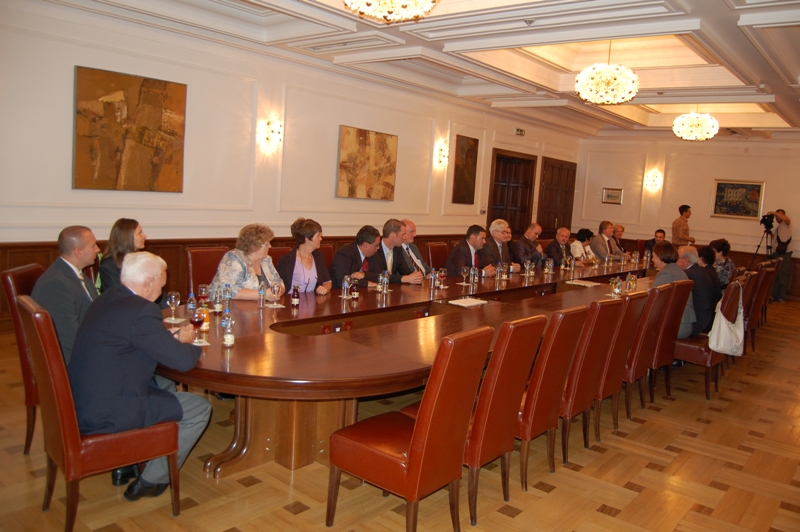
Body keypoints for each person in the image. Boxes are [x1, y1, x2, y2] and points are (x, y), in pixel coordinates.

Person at [68, 252, 211, 501]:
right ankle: (152, 480)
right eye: (161, 285)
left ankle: (139, 456)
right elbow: (184, 362)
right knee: (200, 408)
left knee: (165, 381)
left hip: (82, 399)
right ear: (147, 282)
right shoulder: (142, 311)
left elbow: (132, 339)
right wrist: (188, 341)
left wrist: (165, 339)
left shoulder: (109, 297)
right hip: (107, 411)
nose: (161, 291)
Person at [31, 226, 100, 364]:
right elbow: (71, 339)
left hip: (90, 342)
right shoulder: (56, 285)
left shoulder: (75, 273)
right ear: (78, 252)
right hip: (77, 362)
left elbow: (95, 309)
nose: (98, 249)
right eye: (93, 246)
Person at [209, 224, 285, 300]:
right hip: (226, 305)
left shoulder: (266, 260)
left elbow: (280, 283)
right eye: (266, 244)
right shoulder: (234, 258)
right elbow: (229, 290)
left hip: (259, 306)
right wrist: (263, 294)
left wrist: (275, 292)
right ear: (254, 246)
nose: (270, 246)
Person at [276, 218, 332, 295]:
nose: (321, 239)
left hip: (312, 300)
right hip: (292, 300)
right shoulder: (286, 260)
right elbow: (279, 285)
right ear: (307, 239)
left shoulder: (318, 256)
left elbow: (327, 281)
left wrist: (325, 288)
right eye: (318, 236)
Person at [652, 242, 695, 339]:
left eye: (653, 256)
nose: (652, 259)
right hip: (685, 324)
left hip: (675, 326)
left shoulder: (665, 273)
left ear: (660, 257)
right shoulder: (678, 271)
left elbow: (653, 301)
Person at [678, 245, 719, 336]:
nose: (675, 261)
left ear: (685, 261)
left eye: (677, 258)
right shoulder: (701, 271)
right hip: (709, 318)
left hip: (698, 322)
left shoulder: (688, 275)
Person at [99, 218, 147, 292]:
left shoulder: (143, 259)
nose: (144, 236)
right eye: (139, 233)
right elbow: (120, 294)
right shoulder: (109, 266)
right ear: (127, 237)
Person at [370, 219, 423, 285]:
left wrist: (416, 276)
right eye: (403, 234)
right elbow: (379, 276)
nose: (404, 238)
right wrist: (403, 279)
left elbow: (405, 271)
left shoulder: (398, 249)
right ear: (393, 235)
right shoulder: (375, 249)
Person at [768, 209, 793, 302]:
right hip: (777, 252)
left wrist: (774, 212)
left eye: (778, 215)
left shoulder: (786, 224)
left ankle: (782, 296)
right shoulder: (779, 228)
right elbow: (775, 239)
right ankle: (774, 295)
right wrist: (769, 232)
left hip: (784, 253)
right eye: (776, 216)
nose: (777, 217)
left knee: (783, 274)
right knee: (776, 274)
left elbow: (787, 219)